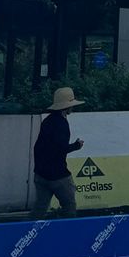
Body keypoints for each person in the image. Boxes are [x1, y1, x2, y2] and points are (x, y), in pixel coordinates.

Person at [31, 87, 84, 216]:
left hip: (41, 174)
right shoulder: (62, 124)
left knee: (40, 208)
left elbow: (39, 147)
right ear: (67, 107)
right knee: (69, 206)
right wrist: (76, 146)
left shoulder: (47, 121)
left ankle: (31, 227)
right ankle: (65, 227)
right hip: (58, 175)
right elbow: (60, 149)